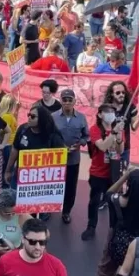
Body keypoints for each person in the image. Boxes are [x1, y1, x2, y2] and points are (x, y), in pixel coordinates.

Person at [82, 104, 125, 241]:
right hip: (98, 173)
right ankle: (91, 226)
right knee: (94, 201)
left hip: (113, 172)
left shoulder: (117, 129)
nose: (110, 114)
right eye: (107, 112)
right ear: (100, 115)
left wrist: (118, 138)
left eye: (113, 111)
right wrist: (113, 134)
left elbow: (120, 151)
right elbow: (103, 146)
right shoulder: (94, 130)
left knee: (114, 202)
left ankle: (115, 228)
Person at [4, 105, 65, 189]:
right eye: (28, 115)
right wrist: (8, 170)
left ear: (41, 119)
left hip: (41, 181)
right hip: (20, 177)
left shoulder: (52, 135)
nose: (29, 118)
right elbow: (15, 149)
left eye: (32, 116)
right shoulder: (22, 129)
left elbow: (60, 159)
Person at [52, 89, 89, 226]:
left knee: (71, 187)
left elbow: (87, 136)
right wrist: (59, 146)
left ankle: (66, 211)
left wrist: (81, 144)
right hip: (56, 159)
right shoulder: (53, 117)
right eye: (64, 99)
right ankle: (49, 208)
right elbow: (49, 135)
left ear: (74, 101)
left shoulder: (81, 118)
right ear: (60, 101)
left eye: (70, 99)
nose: (67, 102)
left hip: (73, 159)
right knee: (54, 184)